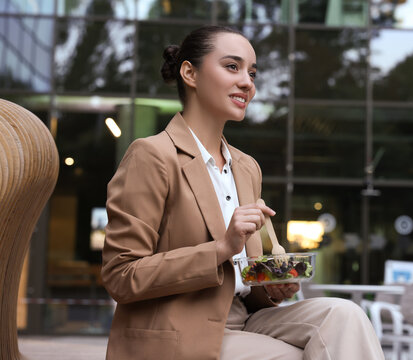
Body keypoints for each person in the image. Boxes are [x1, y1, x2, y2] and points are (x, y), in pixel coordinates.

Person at [101, 25, 384, 360]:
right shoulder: (152, 155)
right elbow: (121, 276)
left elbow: (242, 286)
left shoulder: (246, 167)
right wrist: (221, 247)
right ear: (189, 73)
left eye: (252, 72)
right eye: (232, 67)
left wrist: (271, 287)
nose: (248, 82)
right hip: (177, 327)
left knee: (346, 315)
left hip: (244, 320)